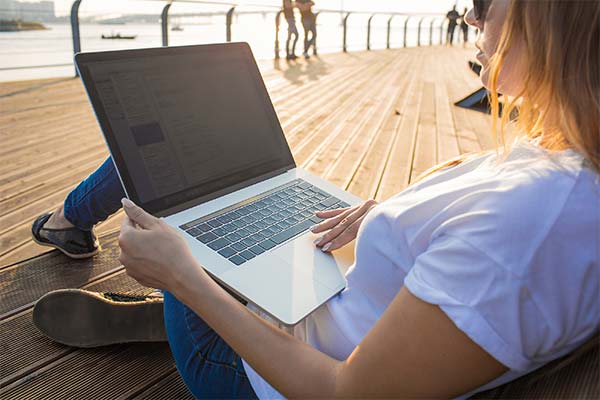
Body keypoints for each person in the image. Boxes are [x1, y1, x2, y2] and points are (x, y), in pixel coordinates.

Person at [32, 0, 599, 398]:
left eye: (483, 0)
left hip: (260, 376)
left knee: (163, 165)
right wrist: (392, 220)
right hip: (321, 308)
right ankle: (219, 292)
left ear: (547, 16)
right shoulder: (560, 162)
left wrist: (184, 279)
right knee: (200, 160)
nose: (472, 15)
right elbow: (481, 254)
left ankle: (73, 225)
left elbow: (340, 393)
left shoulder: (533, 221)